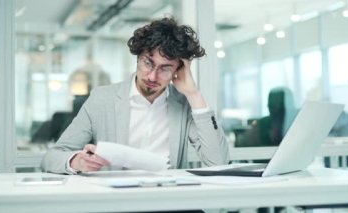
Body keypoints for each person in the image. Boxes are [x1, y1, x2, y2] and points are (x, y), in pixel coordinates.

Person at [41, 17, 229, 174]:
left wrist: (194, 94)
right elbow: (52, 157)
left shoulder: (184, 104)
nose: (152, 76)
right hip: (118, 202)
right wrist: (76, 161)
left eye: (165, 68)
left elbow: (218, 163)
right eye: (148, 62)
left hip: (170, 201)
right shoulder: (102, 99)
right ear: (138, 57)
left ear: (178, 71)